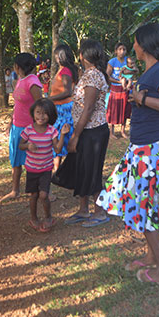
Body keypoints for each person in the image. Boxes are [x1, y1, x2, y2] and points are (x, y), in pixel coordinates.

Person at [97, 23, 159, 286]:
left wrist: (142, 100)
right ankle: (153, 256)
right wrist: (136, 95)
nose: (133, 47)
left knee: (144, 207)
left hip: (151, 151)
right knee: (145, 204)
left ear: (146, 44)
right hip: (145, 148)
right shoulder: (152, 71)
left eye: (136, 42)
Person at [56, 39, 111, 228]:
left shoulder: (93, 76)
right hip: (87, 129)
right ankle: (83, 209)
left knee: (92, 170)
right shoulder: (88, 75)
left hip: (92, 131)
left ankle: (100, 211)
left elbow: (88, 109)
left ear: (82, 55)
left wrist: (75, 135)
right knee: (81, 168)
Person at [19, 98, 69, 233]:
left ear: (50, 115)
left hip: (46, 169)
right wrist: (28, 145)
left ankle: (48, 217)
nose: (41, 116)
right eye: (38, 112)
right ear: (33, 113)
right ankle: (33, 218)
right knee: (33, 195)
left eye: (45, 113)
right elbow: (21, 145)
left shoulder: (51, 131)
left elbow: (57, 150)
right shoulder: (28, 130)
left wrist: (63, 135)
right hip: (31, 168)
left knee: (43, 195)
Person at [4, 53, 43, 201]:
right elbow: (18, 104)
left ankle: (41, 190)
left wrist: (39, 127)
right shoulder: (21, 80)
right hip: (17, 126)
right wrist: (10, 122)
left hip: (30, 128)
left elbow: (40, 105)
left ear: (18, 67)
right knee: (16, 159)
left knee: (35, 160)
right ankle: (15, 190)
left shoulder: (33, 82)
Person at [48, 44, 78, 172]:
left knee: (60, 136)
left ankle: (58, 168)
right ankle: (58, 168)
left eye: (56, 55)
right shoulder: (63, 70)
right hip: (60, 108)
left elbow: (68, 92)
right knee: (59, 136)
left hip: (63, 109)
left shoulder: (65, 71)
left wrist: (49, 99)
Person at [106, 42, 130, 138]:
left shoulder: (127, 61)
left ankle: (123, 131)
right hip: (115, 88)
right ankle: (112, 132)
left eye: (124, 49)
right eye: (120, 49)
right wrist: (120, 82)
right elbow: (107, 76)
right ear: (116, 51)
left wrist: (127, 82)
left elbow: (132, 72)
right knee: (113, 110)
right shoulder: (112, 62)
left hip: (125, 89)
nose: (122, 51)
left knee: (124, 109)